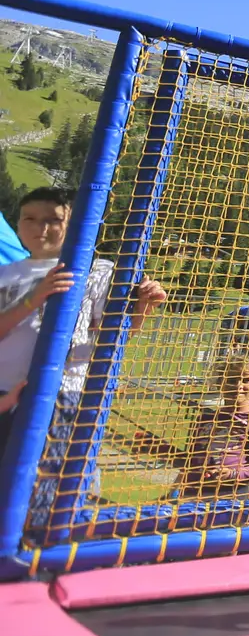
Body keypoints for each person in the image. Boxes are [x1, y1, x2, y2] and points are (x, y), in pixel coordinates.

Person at [0, 187, 167, 512]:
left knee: (48, 492)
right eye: (29, 219)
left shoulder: (96, 271)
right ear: (17, 224)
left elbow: (113, 336)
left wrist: (143, 307)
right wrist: (34, 298)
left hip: (62, 394)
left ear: (73, 223)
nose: (40, 228)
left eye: (52, 220)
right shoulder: (7, 274)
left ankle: (48, 537)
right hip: (5, 394)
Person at [178, 356, 249, 499]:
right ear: (220, 383)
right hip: (194, 490)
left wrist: (234, 474)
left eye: (246, 380)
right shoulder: (206, 418)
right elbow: (191, 459)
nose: (238, 385)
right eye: (232, 380)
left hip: (232, 492)